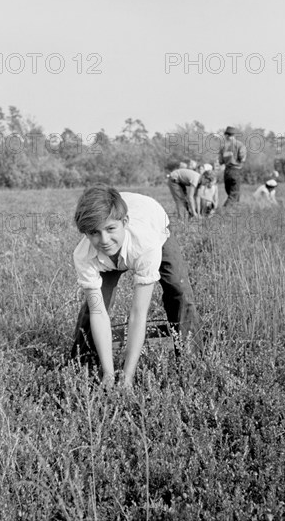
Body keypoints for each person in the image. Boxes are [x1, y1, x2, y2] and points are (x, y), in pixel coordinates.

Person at [71, 184, 201, 389]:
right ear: (86, 233)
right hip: (119, 243)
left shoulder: (146, 245)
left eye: (111, 229)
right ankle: (84, 360)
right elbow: (99, 313)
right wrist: (109, 373)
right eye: (94, 233)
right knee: (94, 305)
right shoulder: (83, 255)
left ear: (124, 222)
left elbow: (138, 314)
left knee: (178, 288)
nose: (104, 240)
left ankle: (190, 359)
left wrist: (128, 375)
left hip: (153, 220)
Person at [218, 126, 247, 206]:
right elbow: (242, 159)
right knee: (234, 194)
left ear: (226, 135)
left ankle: (235, 211)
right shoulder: (240, 145)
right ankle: (224, 210)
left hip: (226, 172)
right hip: (236, 171)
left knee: (231, 193)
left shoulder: (223, 147)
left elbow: (220, 161)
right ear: (234, 135)